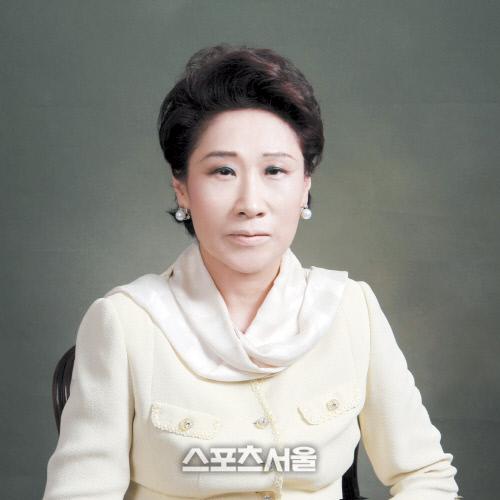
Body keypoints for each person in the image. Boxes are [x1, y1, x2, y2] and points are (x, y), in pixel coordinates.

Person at [42, 44, 461, 499]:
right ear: (182, 189)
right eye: (223, 171)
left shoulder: (349, 310)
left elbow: (425, 474)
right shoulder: (125, 324)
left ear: (305, 187)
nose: (250, 204)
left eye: (275, 170)